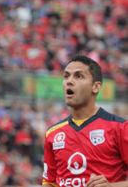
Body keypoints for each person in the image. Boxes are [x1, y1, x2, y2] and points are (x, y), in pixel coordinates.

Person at [42, 55, 128, 187]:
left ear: (96, 87)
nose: (69, 81)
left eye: (78, 76)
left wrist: (111, 186)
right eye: (66, 76)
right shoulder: (53, 133)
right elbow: (49, 183)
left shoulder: (120, 128)